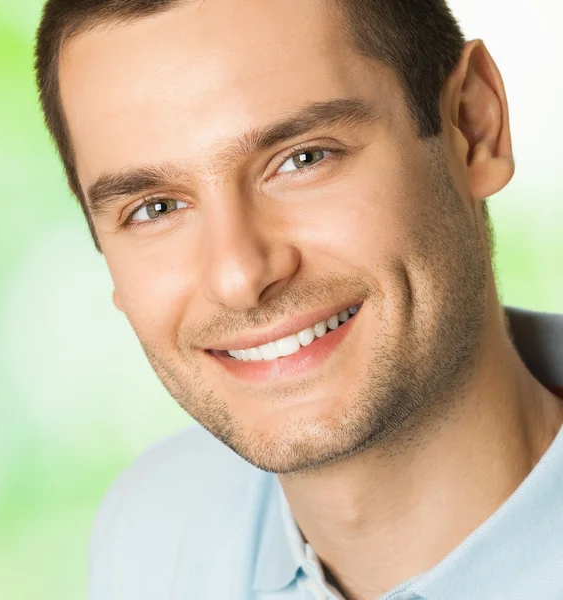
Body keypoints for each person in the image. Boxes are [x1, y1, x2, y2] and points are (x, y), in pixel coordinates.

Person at [34, 0, 563, 598]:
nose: (239, 276)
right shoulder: (150, 532)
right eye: (156, 208)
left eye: (302, 159)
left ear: (473, 126)